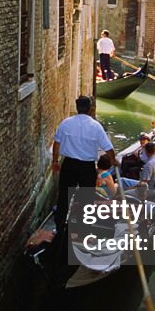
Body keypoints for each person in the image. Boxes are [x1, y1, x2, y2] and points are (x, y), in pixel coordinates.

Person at [52, 95, 115, 230]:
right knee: (86, 199)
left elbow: (56, 143)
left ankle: (59, 228)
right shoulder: (96, 126)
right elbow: (108, 148)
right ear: (90, 109)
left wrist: (55, 161)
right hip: (87, 167)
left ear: (77, 107)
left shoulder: (66, 123)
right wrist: (114, 160)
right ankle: (83, 230)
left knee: (64, 197)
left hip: (69, 165)